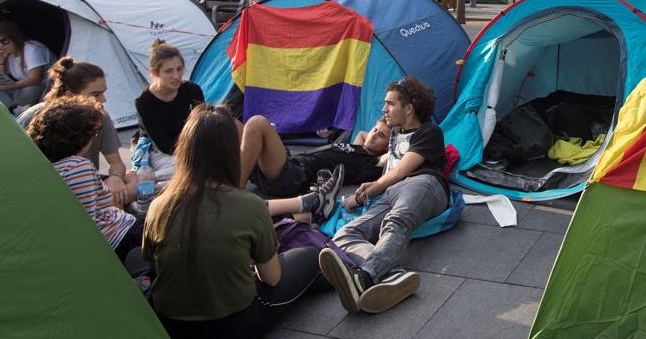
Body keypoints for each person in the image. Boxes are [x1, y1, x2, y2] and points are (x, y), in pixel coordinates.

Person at [143, 105, 325, 338]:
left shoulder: (158, 206)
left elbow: (153, 264)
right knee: (308, 256)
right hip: (234, 325)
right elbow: (272, 278)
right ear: (231, 152)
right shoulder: (250, 205)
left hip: (170, 324)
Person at [318, 77, 448, 315]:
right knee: (345, 233)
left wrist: (362, 196)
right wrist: (373, 182)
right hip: (392, 191)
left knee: (395, 222)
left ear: (408, 108)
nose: (383, 109)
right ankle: (393, 275)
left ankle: (364, 278)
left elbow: (401, 171)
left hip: (424, 184)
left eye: (390, 104)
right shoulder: (396, 134)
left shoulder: (429, 132)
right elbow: (388, 165)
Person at [27, 99, 141, 261]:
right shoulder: (77, 167)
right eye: (92, 134)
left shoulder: (48, 167)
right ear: (80, 139)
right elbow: (88, 224)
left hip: (116, 229)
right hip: (120, 235)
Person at [18, 58, 134, 206]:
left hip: (86, 182)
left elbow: (116, 163)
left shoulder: (99, 115)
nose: (103, 100)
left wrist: (116, 178)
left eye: (103, 93)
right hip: (49, 189)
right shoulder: (34, 117)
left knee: (135, 178)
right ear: (69, 96)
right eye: (95, 94)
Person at [246, 116, 392, 210]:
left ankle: (233, 195)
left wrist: (392, 141)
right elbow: (361, 133)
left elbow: (394, 155)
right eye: (374, 130)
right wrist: (381, 129)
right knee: (232, 126)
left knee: (258, 123)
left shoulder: (370, 163)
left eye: (381, 136)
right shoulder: (359, 148)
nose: (373, 136)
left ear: (388, 146)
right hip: (291, 161)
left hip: (293, 176)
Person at [134, 39, 206, 186]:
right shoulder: (144, 102)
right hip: (158, 150)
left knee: (209, 162)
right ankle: (151, 178)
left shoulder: (192, 90)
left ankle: (159, 182)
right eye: (169, 71)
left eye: (179, 69)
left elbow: (203, 123)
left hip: (189, 145)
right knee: (197, 168)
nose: (176, 76)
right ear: (155, 72)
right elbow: (163, 144)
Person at [0, 20, 52, 110]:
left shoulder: (31, 48)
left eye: (4, 41)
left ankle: (11, 108)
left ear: (14, 37)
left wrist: (4, 87)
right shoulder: (9, 54)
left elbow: (35, 79)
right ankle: (13, 107)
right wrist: (0, 59)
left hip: (43, 88)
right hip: (20, 90)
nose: (0, 46)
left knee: (29, 91)